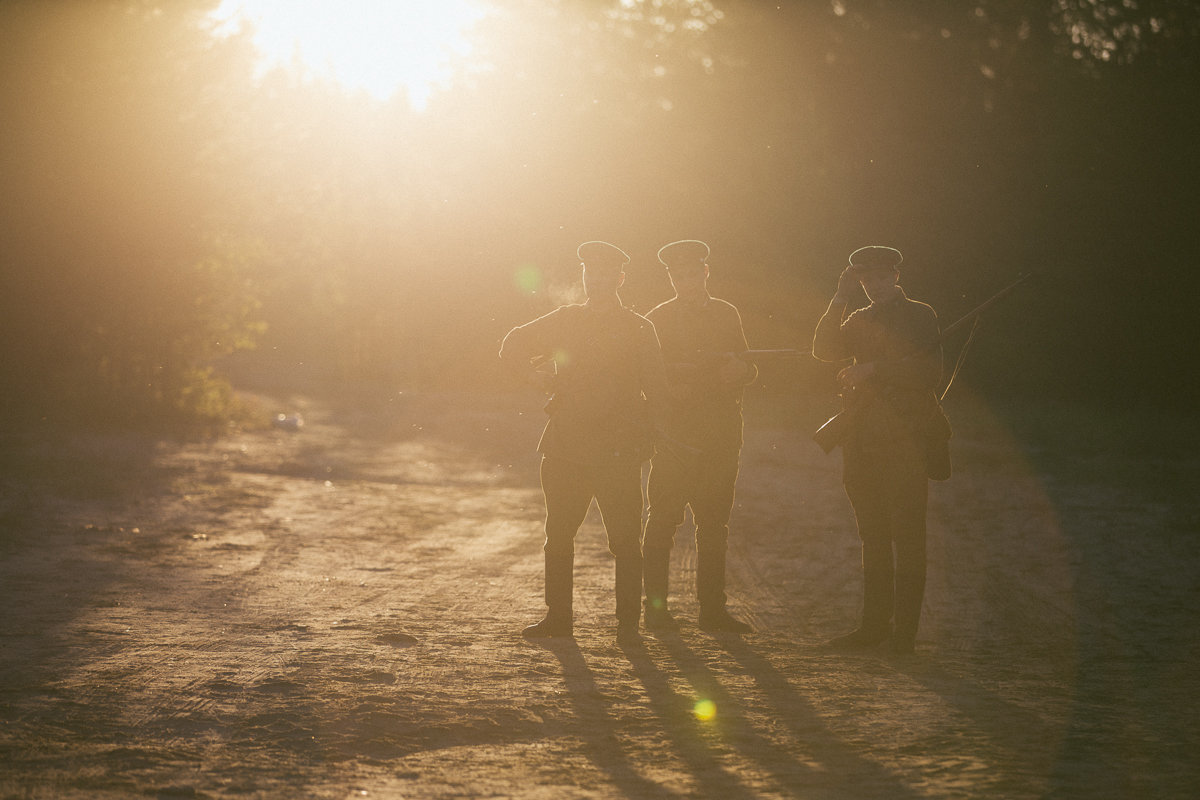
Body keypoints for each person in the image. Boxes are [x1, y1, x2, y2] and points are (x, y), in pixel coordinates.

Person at [500, 241, 668, 640]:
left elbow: (658, 393)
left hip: (617, 452)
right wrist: (536, 379)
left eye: (607, 275)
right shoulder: (565, 319)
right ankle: (558, 620)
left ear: (621, 279)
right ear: (584, 277)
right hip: (565, 448)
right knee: (558, 535)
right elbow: (511, 346)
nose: (598, 282)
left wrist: (642, 437)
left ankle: (628, 625)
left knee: (626, 541)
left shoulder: (640, 328)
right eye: (591, 275)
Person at [812, 245, 943, 654]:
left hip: (906, 439)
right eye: (867, 280)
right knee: (872, 535)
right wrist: (838, 297)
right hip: (862, 439)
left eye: (882, 278)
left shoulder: (921, 315)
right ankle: (872, 628)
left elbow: (929, 373)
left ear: (896, 277)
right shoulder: (858, 317)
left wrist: (874, 369)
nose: (875, 286)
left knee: (907, 537)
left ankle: (903, 635)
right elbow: (822, 348)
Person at [641, 240, 757, 633]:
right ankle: (655, 610)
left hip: (721, 434)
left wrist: (738, 373)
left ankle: (713, 610)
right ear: (670, 277)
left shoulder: (726, 314)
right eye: (677, 275)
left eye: (692, 273)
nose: (685, 281)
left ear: (705, 272)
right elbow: (645, 376)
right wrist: (673, 388)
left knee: (713, 524)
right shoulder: (656, 318)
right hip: (674, 437)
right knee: (661, 520)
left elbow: (749, 365)